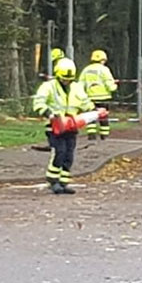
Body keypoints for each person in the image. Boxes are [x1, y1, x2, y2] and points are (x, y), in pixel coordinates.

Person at [33, 57, 94, 194]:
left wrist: (93, 110)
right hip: (55, 126)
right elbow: (39, 102)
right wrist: (48, 114)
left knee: (69, 155)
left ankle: (63, 182)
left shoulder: (76, 87)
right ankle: (53, 181)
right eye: (64, 79)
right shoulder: (48, 87)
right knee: (59, 152)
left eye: (69, 79)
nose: (67, 81)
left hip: (71, 126)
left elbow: (85, 102)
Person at [78, 49, 118, 140]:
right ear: (103, 59)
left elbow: (80, 84)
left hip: (90, 98)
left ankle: (91, 135)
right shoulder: (104, 69)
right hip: (103, 98)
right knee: (103, 117)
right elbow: (109, 83)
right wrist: (114, 87)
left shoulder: (86, 70)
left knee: (90, 116)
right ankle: (104, 136)